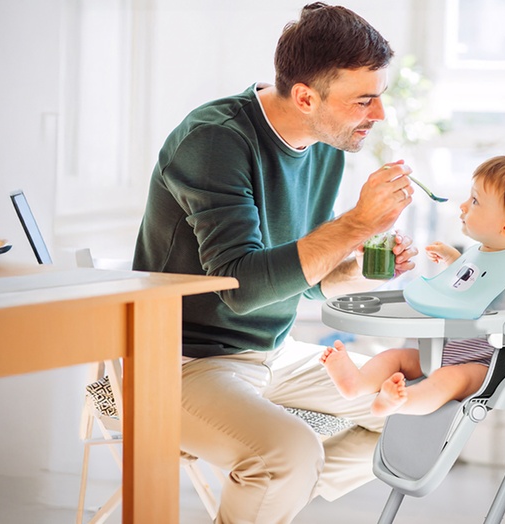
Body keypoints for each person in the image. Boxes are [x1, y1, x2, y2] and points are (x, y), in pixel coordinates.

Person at [131, 4, 419, 523]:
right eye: (363, 100)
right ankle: (279, 486)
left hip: (267, 354)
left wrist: (356, 262)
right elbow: (242, 288)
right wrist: (355, 223)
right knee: (290, 454)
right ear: (307, 97)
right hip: (175, 360)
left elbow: (303, 285)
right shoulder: (216, 140)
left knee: (421, 407)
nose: (377, 116)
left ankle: (274, 499)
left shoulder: (325, 145)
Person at [321, 155, 505, 417]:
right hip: (446, 346)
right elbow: (470, 288)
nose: (463, 206)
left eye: (475, 201)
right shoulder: (478, 253)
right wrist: (453, 261)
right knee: (397, 357)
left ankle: (402, 401)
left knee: (447, 379)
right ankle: (356, 383)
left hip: (487, 362)